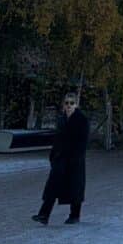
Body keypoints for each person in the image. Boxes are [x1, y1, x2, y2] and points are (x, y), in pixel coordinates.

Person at [32, 92, 88, 225]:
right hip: (60, 157)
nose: (69, 105)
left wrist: (76, 156)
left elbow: (83, 140)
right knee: (52, 184)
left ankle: (75, 215)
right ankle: (44, 215)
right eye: (67, 103)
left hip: (75, 159)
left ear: (76, 105)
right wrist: (53, 155)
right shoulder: (61, 119)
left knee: (75, 186)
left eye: (72, 103)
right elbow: (57, 139)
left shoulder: (81, 119)